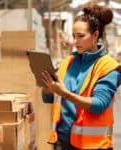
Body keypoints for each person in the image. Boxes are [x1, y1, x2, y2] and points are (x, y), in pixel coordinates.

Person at [41, 2, 121, 150]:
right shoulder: (68, 62)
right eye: (74, 36)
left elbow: (98, 105)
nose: (75, 42)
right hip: (62, 140)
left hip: (92, 145)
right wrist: (48, 87)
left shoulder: (107, 67)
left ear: (95, 35)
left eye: (81, 36)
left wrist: (65, 93)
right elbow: (49, 98)